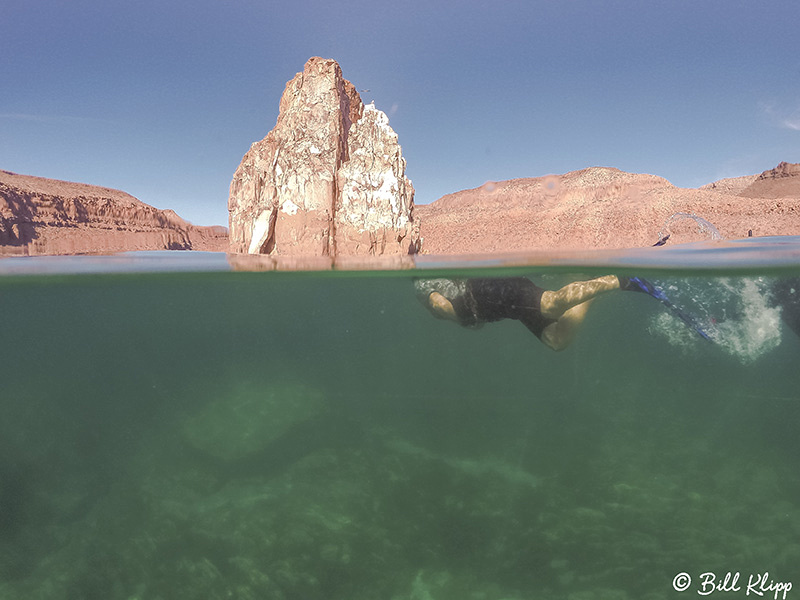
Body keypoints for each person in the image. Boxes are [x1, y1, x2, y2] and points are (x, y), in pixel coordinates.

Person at [414, 275, 650, 352]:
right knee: (556, 340)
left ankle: (622, 280)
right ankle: (590, 290)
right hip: (498, 306)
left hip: (488, 292)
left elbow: (439, 305)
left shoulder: (421, 283)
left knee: (553, 305)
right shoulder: (424, 282)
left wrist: (464, 320)